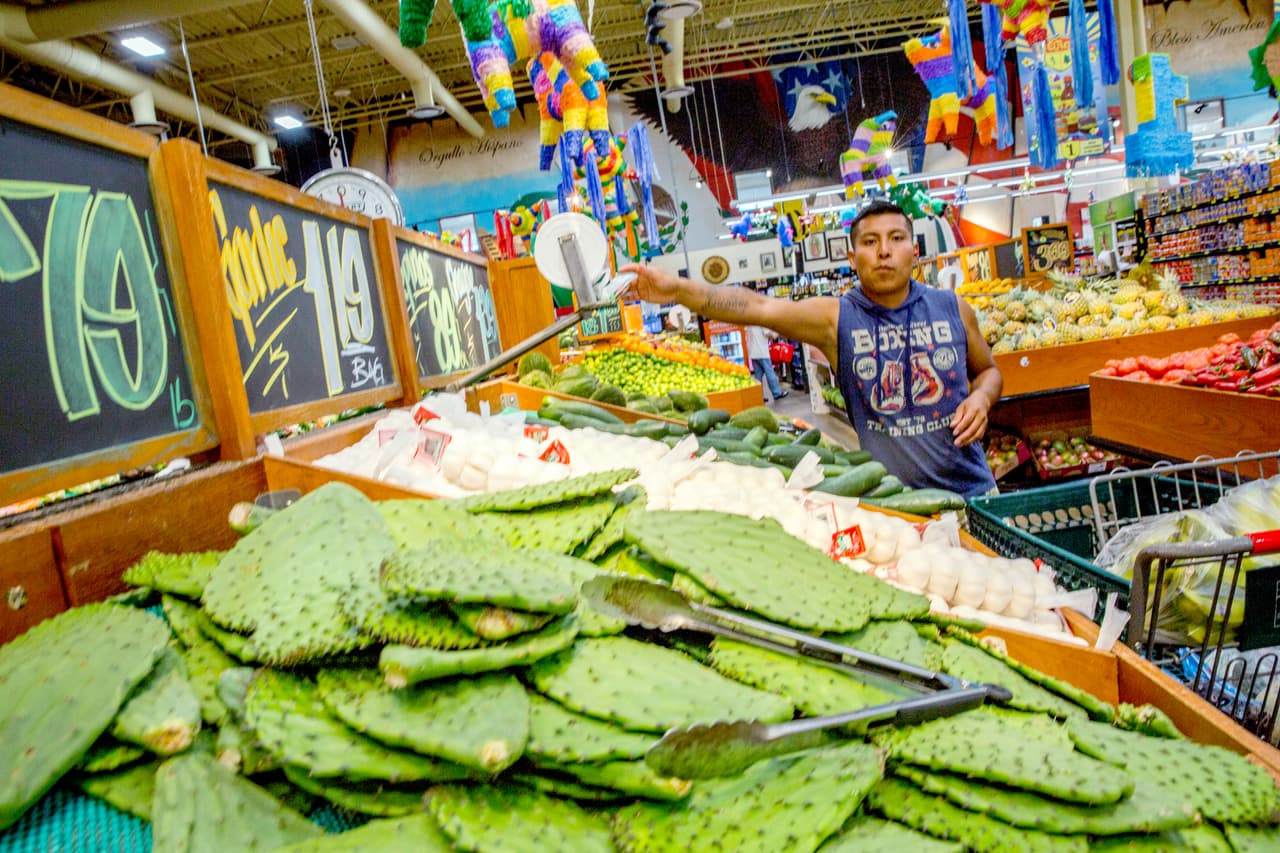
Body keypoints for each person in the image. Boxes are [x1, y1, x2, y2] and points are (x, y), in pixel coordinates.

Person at [622, 200, 1001, 497]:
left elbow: (989, 371)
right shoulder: (836, 318)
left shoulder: (953, 308)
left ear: (914, 251)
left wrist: (982, 398)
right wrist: (677, 291)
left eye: (896, 238)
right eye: (870, 242)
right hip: (895, 501)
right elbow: (758, 307)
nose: (884, 251)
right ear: (852, 259)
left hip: (973, 489)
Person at [744, 323, 788, 401]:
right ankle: (776, 393)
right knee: (770, 373)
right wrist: (776, 333)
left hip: (753, 353)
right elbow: (767, 332)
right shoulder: (760, 321)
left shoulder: (749, 323)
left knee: (758, 376)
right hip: (762, 352)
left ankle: (759, 396)